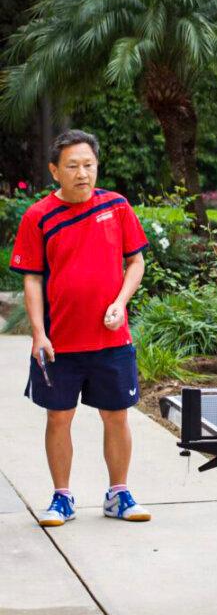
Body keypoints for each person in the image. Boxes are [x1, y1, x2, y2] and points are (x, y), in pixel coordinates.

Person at [9, 129, 151, 527]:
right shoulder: (38, 216)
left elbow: (135, 262)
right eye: (72, 166)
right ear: (55, 171)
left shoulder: (117, 206)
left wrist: (120, 303)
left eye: (88, 164)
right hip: (59, 343)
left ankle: (119, 495)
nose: (82, 173)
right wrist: (39, 332)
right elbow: (32, 278)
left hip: (111, 338)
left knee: (117, 415)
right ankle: (62, 498)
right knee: (59, 417)